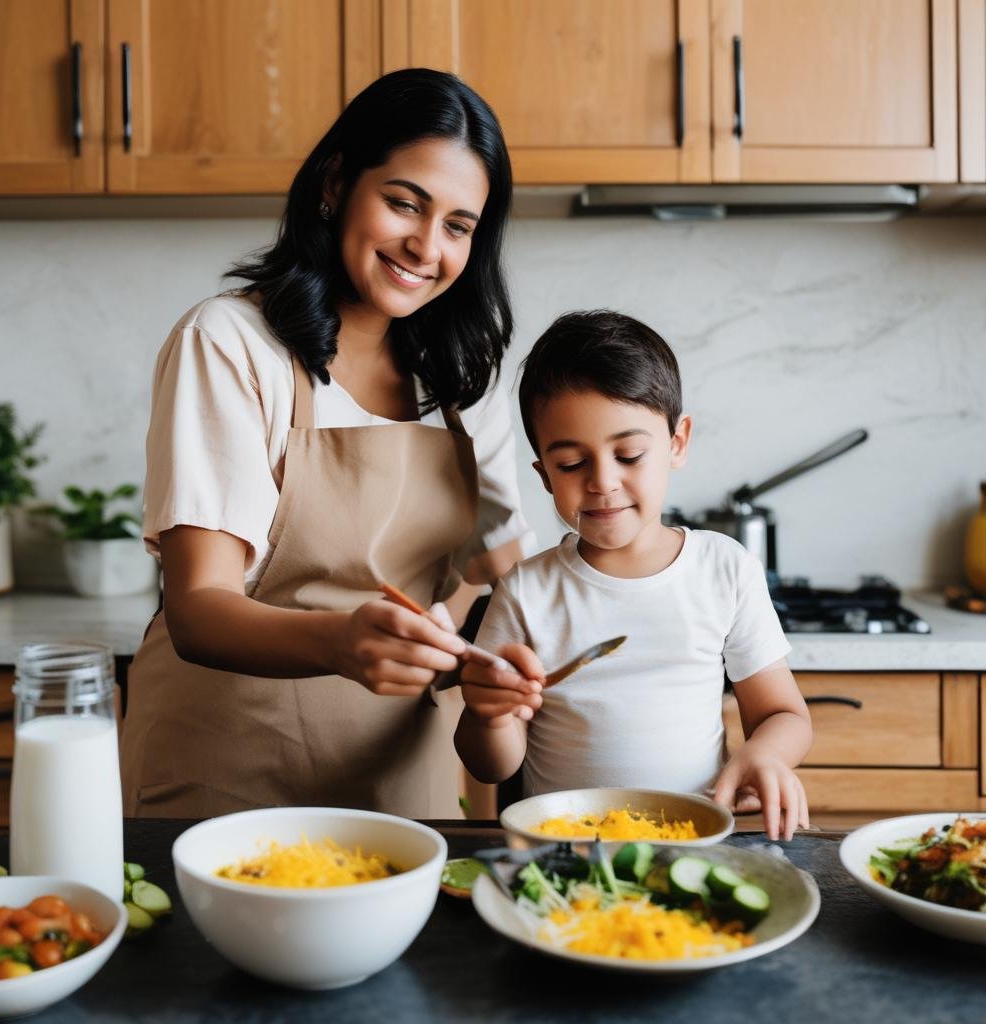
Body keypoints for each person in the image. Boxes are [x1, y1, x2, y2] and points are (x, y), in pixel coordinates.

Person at [120, 69, 532, 820]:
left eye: (457, 226)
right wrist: (343, 641)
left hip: (403, 783)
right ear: (337, 184)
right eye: (404, 203)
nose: (425, 245)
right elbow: (199, 607)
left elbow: (509, 583)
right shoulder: (231, 343)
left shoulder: (466, 379)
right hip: (225, 777)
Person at [454, 310, 813, 840]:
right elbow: (492, 766)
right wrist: (491, 716)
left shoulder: (724, 569)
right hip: (564, 850)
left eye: (629, 454)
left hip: (693, 841)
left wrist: (765, 755)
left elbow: (785, 715)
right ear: (545, 476)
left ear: (677, 443)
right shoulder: (527, 591)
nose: (602, 482)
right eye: (573, 464)